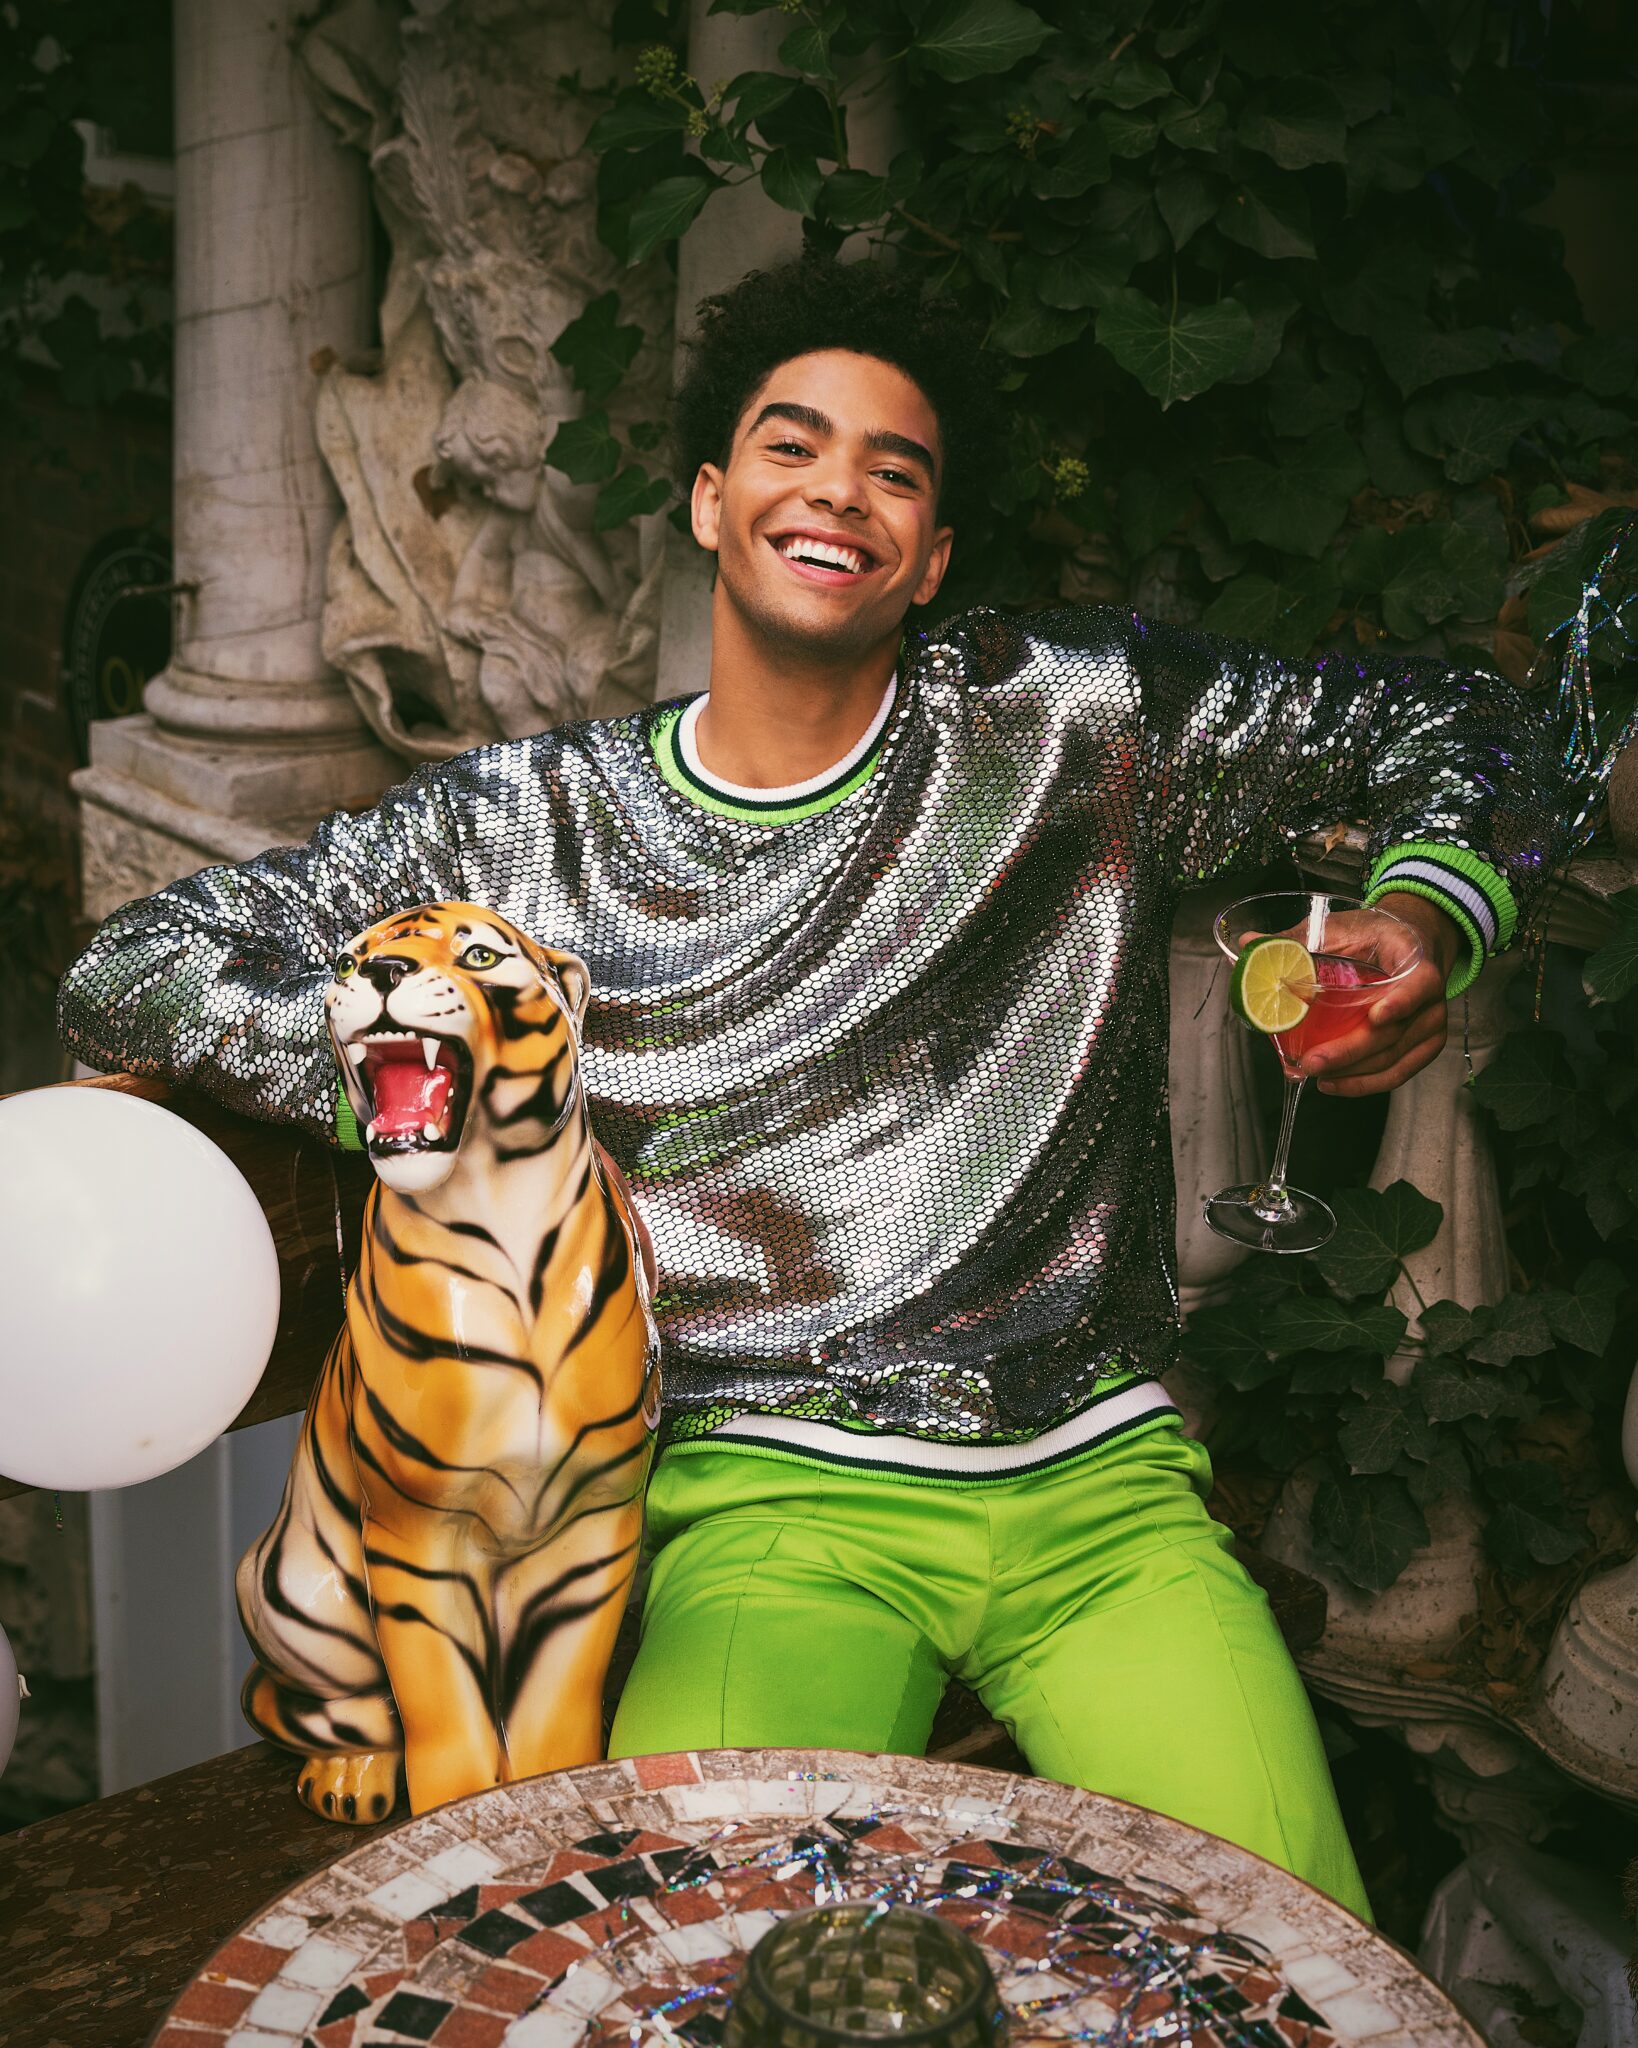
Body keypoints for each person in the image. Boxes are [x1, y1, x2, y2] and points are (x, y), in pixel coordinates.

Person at [57, 258, 1576, 1921]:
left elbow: (1477, 729)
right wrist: (422, 1091)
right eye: (792, 445)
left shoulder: (1072, 724)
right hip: (767, 1510)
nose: (838, 487)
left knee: (1296, 1959)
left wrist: (1427, 916)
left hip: (1098, 1497)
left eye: (892, 470)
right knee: (692, 1964)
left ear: (930, 556)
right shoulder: (531, 822)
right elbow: (139, 965)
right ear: (712, 502)